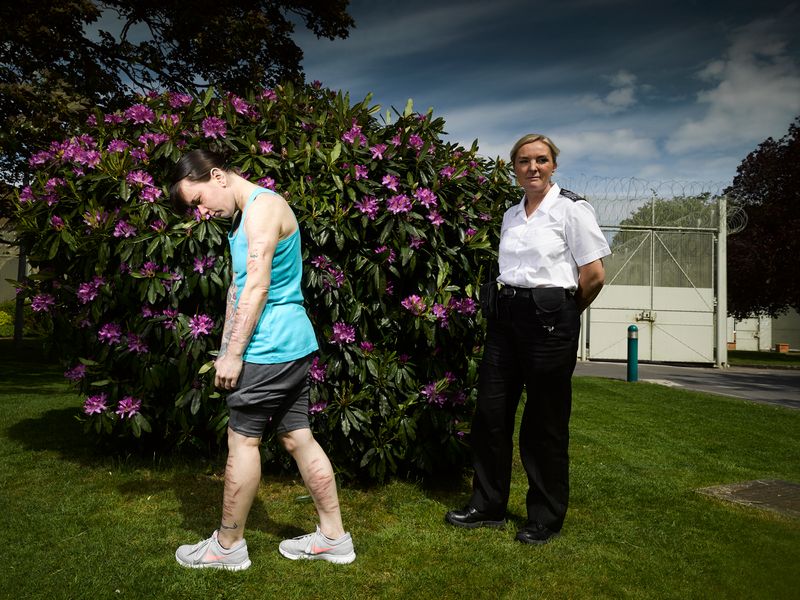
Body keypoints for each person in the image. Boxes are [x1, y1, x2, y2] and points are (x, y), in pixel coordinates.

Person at [169, 149, 355, 569]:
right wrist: (225, 346)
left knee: (243, 441)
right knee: (297, 436)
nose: (202, 213)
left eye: (198, 201)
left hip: (269, 348)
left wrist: (234, 355)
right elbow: (237, 289)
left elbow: (256, 286)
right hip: (291, 345)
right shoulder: (245, 216)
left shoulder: (262, 209)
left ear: (216, 176)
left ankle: (228, 546)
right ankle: (333, 538)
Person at [445, 134, 610, 545]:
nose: (532, 167)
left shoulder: (572, 209)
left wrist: (564, 315)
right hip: (506, 318)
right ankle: (487, 506)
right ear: (513, 168)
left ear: (554, 164)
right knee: (490, 413)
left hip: (550, 321)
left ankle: (544, 517)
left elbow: (593, 275)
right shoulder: (511, 214)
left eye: (541, 160)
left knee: (544, 424)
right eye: (523, 161)